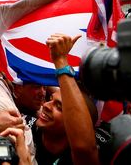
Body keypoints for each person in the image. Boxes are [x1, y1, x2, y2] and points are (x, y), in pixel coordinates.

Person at [32, 33, 99, 165]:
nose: (45, 105)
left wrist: (61, 61)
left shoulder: (89, 153)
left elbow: (83, 149)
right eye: (50, 99)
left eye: (59, 107)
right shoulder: (25, 128)